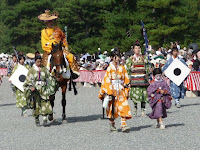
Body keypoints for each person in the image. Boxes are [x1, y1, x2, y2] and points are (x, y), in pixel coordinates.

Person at [38, 10, 79, 78]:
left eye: (51, 21)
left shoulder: (58, 30)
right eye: (48, 22)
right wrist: (52, 45)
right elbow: (44, 43)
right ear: (46, 23)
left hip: (60, 49)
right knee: (46, 62)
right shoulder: (44, 32)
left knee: (70, 56)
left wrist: (65, 46)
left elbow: (63, 38)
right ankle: (45, 75)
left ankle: (73, 72)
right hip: (50, 49)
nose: (50, 23)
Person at [99, 48, 132, 132]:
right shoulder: (109, 68)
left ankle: (123, 124)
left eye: (118, 56)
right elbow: (106, 80)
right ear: (111, 57)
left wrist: (127, 89)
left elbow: (126, 79)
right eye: (116, 57)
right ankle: (112, 124)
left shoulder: (122, 68)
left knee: (124, 105)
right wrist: (109, 92)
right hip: (112, 89)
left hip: (120, 89)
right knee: (112, 107)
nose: (118, 58)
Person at [23, 53, 57, 127]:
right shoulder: (31, 70)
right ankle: (37, 119)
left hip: (44, 88)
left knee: (45, 102)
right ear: (35, 61)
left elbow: (49, 77)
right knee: (36, 104)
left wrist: (53, 79)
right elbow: (28, 80)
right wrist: (31, 86)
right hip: (35, 89)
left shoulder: (44, 68)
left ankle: (45, 119)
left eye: (40, 61)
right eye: (38, 62)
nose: (39, 63)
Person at [126, 40, 150, 117]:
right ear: (133, 49)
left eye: (139, 48)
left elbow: (148, 67)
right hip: (134, 80)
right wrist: (128, 79)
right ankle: (135, 109)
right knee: (135, 96)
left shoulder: (144, 58)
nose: (137, 50)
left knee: (143, 96)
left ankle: (143, 111)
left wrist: (148, 72)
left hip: (143, 80)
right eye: (136, 48)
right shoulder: (130, 59)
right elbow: (127, 70)